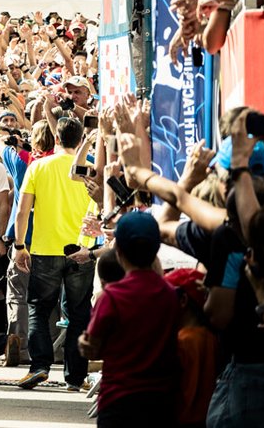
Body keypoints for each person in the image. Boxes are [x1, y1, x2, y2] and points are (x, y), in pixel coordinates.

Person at [12, 115, 97, 390]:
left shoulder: (38, 166)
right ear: (81, 139)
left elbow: (22, 211)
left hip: (45, 249)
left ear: (56, 138)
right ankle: (76, 376)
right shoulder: (90, 167)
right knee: (79, 313)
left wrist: (19, 246)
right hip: (82, 249)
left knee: (39, 309)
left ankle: (40, 366)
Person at [78, 213, 180, 428]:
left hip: (118, 399)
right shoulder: (170, 294)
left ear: (119, 251)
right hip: (161, 400)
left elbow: (92, 347)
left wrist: (83, 342)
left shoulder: (112, 296)